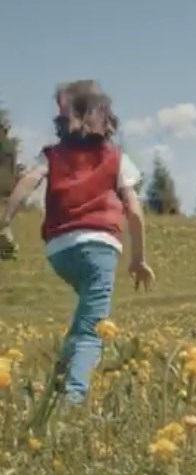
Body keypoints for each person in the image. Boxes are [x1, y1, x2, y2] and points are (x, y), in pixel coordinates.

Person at [0, 80, 155, 405]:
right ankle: (72, 398)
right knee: (92, 329)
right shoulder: (116, 158)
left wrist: (4, 221)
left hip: (59, 251)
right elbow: (136, 212)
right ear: (106, 118)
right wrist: (138, 260)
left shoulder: (52, 156)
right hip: (100, 249)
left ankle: (59, 377)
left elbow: (28, 182)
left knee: (84, 314)